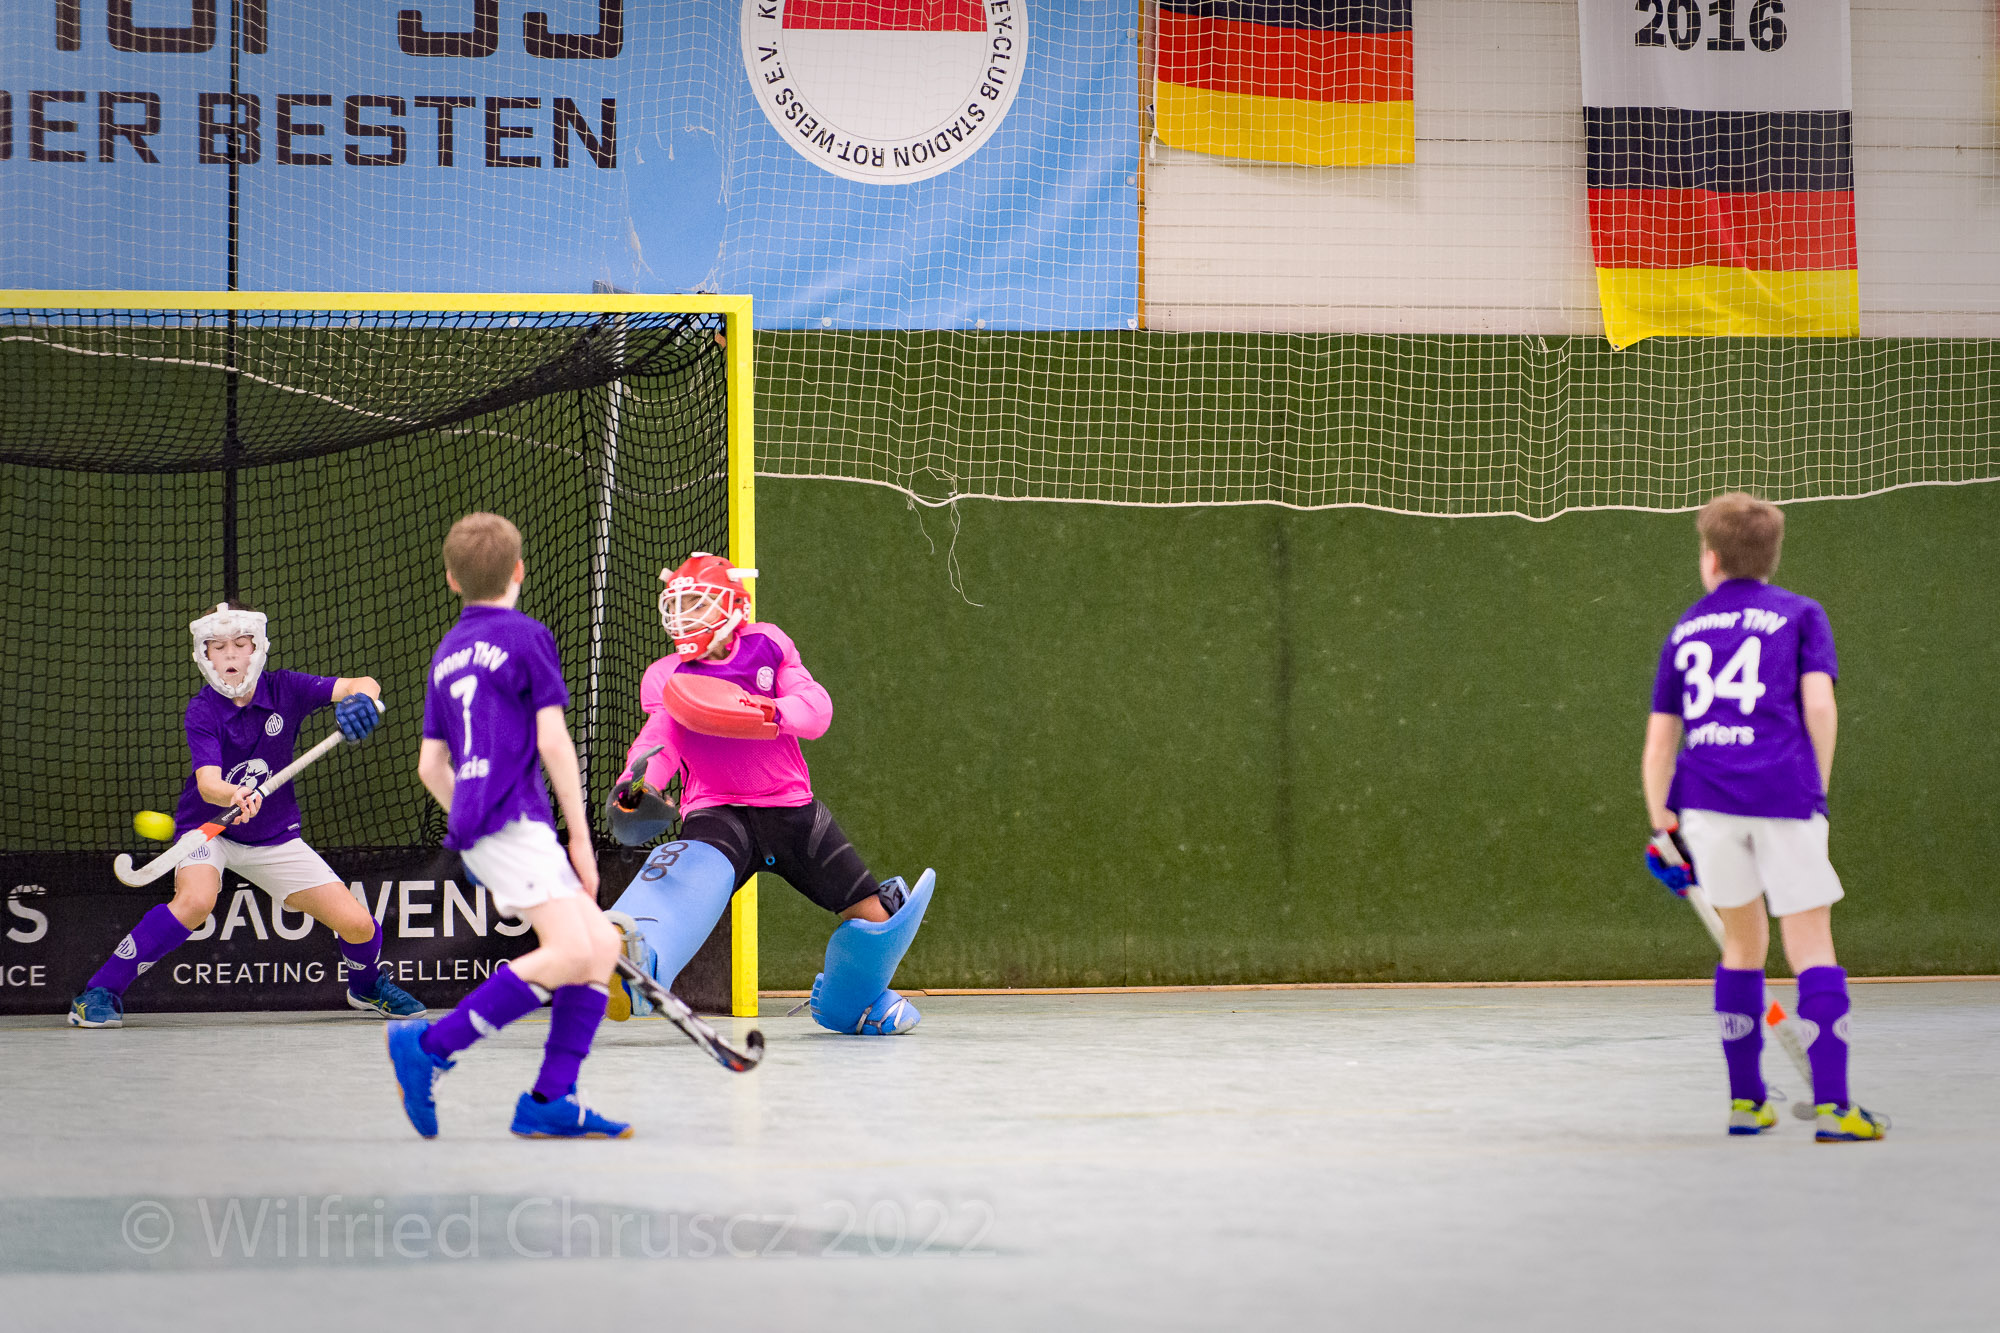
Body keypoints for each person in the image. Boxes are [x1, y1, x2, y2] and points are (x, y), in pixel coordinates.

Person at [601, 552, 933, 1036]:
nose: (684, 617)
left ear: (734, 606)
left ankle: (854, 1004)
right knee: (680, 882)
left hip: (792, 812)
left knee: (877, 918)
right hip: (717, 813)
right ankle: (633, 962)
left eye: (697, 604)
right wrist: (639, 782)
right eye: (678, 606)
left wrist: (768, 711)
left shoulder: (768, 645)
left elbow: (816, 711)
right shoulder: (666, 675)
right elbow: (661, 739)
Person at [1642, 493, 1886, 1142]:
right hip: (1784, 791)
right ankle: (1834, 1107)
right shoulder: (1802, 614)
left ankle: (1746, 1103)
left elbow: (1660, 745)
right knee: (1810, 943)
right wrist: (1815, 789)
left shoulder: (1685, 629)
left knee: (1742, 944)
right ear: (1772, 557)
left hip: (1706, 801)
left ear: (1710, 558)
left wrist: (1665, 830)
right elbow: (1821, 708)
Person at [385, 513, 630, 1140]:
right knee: (572, 950)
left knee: (600, 948)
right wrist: (581, 838)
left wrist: (470, 819)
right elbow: (553, 740)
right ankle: (431, 1047)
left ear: (451, 580)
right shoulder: (527, 636)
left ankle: (551, 1099)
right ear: (519, 570)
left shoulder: (446, 653)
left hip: (494, 822)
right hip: (515, 822)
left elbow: (430, 766)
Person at [68, 602, 419, 1028]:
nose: (230, 654)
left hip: (274, 835)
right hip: (210, 829)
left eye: (240, 643)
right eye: (218, 647)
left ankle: (366, 987)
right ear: (204, 655)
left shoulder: (286, 687)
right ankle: (99, 991)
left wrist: (360, 700)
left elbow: (363, 683)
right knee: (196, 901)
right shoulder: (202, 710)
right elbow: (208, 784)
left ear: (258, 647)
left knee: (359, 925)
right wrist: (235, 794)